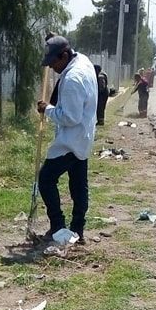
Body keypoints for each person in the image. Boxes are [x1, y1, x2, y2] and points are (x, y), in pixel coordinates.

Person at [37, 35, 98, 244]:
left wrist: (47, 110)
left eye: (54, 62)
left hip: (70, 141)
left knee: (45, 179)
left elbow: (70, 118)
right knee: (79, 184)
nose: (52, 67)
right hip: (84, 136)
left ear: (64, 55)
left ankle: (58, 225)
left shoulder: (73, 78)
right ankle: (77, 229)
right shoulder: (83, 60)